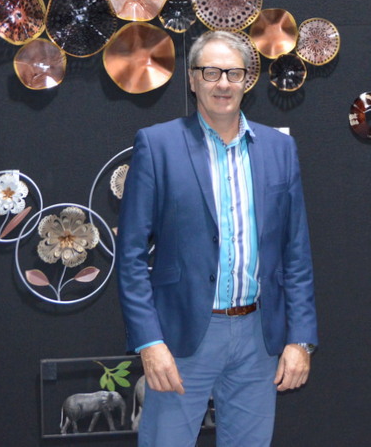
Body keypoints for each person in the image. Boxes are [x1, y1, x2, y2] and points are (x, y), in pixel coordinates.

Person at [117, 30, 318, 446]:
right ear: (192, 79)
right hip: (181, 337)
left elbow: (295, 252)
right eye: (211, 72)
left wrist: (300, 339)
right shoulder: (157, 145)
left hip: (258, 338)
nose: (222, 83)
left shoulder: (280, 149)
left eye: (233, 73)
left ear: (247, 80)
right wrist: (149, 342)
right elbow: (131, 254)